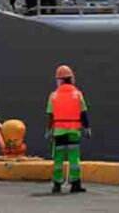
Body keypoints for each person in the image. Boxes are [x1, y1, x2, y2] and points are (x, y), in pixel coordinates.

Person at [46, 65, 90, 194]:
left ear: (59, 80)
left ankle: (57, 185)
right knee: (74, 158)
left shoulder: (53, 96)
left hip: (59, 131)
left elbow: (50, 115)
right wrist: (87, 128)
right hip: (73, 130)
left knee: (58, 158)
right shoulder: (78, 94)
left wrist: (49, 130)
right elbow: (84, 113)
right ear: (71, 79)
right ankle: (75, 184)